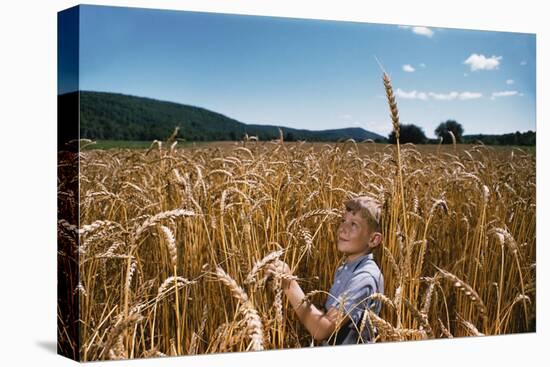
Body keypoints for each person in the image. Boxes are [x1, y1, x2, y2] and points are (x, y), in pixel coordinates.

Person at [266, 196, 384, 345]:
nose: (343, 228)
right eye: (343, 221)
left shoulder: (365, 278)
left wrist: (289, 285)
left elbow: (322, 330)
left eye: (354, 224)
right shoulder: (345, 268)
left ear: (374, 240)